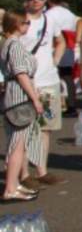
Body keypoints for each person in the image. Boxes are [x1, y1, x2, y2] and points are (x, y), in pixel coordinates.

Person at [20, 0, 65, 188]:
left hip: (49, 81)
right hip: (25, 83)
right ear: (25, 0)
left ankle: (41, 171)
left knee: (46, 128)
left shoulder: (50, 20)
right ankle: (23, 173)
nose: (36, 1)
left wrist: (55, 60)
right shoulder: (18, 22)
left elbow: (61, 41)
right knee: (24, 130)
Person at [2, 11, 47, 201]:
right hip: (20, 98)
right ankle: (11, 187)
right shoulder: (15, 46)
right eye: (26, 23)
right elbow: (21, 74)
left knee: (18, 142)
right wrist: (35, 99)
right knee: (18, 144)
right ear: (17, 24)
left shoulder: (8, 44)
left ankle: (14, 185)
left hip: (14, 96)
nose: (28, 26)